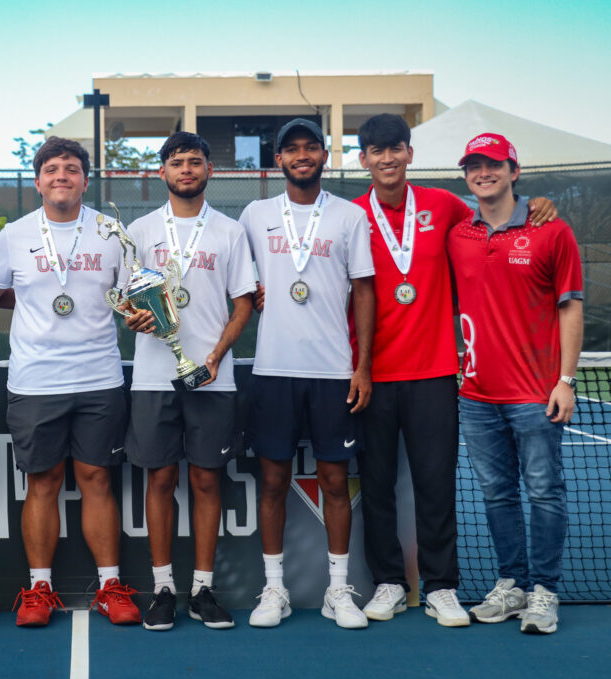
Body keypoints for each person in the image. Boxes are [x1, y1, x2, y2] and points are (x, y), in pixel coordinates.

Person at [350, 115, 558, 627]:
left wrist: (537, 205)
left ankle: (441, 586)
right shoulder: (350, 215)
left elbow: (497, 214)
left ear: (409, 153)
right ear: (363, 160)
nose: (387, 159)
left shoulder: (444, 206)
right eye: (376, 151)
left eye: (395, 148)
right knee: (375, 486)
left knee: (436, 485)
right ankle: (389, 584)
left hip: (436, 372)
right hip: (371, 375)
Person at [0, 137, 140, 627]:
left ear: (86, 180)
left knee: (96, 480)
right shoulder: (15, 235)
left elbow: (132, 300)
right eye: (51, 169)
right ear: (39, 180)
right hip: (35, 381)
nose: (61, 175)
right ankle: (39, 590)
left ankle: (110, 587)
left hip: (98, 379)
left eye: (71, 168)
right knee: (42, 483)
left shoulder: (113, 233)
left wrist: (148, 317)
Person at [239, 118, 374, 630]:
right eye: (291, 149)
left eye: (310, 147)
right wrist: (251, 292)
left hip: (332, 371)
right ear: (277, 160)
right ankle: (275, 589)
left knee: (336, 481)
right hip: (273, 369)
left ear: (323, 156)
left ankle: (338, 590)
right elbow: (236, 277)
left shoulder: (348, 216)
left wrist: (361, 367)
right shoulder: (255, 214)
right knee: (272, 481)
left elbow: (364, 289)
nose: (301, 155)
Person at [448, 133, 583, 635]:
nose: (483, 173)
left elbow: (571, 308)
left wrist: (565, 381)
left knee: (545, 493)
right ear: (466, 175)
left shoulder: (553, 231)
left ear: (514, 170)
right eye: (474, 166)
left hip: (534, 394)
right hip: (476, 395)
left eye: (493, 165)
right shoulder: (459, 233)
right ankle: (512, 586)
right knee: (498, 494)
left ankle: (544, 592)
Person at [120, 132, 254, 630]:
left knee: (205, 479)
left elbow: (243, 301)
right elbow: (127, 299)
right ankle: (162, 589)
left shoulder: (229, 231)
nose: (186, 170)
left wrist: (218, 355)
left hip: (212, 377)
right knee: (160, 478)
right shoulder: (139, 229)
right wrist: (133, 316)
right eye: (177, 163)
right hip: (155, 376)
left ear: (208, 170)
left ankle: (202, 588)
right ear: (163, 172)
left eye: (195, 161)